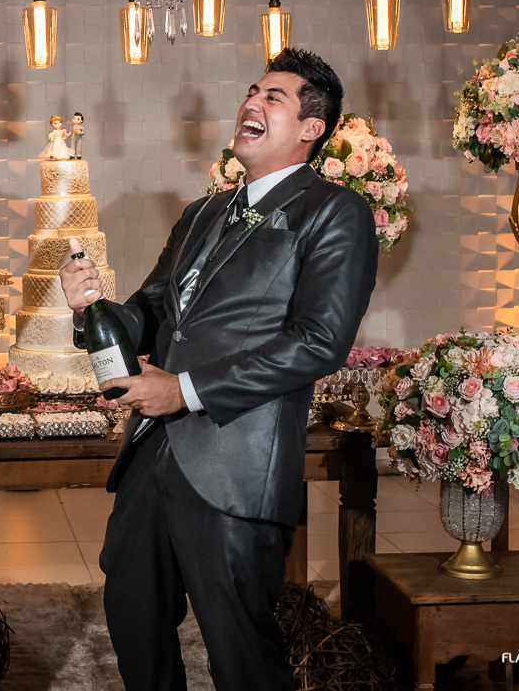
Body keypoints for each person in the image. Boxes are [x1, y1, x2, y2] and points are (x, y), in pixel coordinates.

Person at [60, 48, 378, 691]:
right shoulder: (202, 212)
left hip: (237, 462)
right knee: (132, 617)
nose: (251, 104)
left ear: (312, 128)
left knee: (240, 649)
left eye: (274, 98)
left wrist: (185, 389)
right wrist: (91, 307)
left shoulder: (334, 211)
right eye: (252, 92)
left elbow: (319, 341)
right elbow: (149, 314)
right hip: (152, 455)